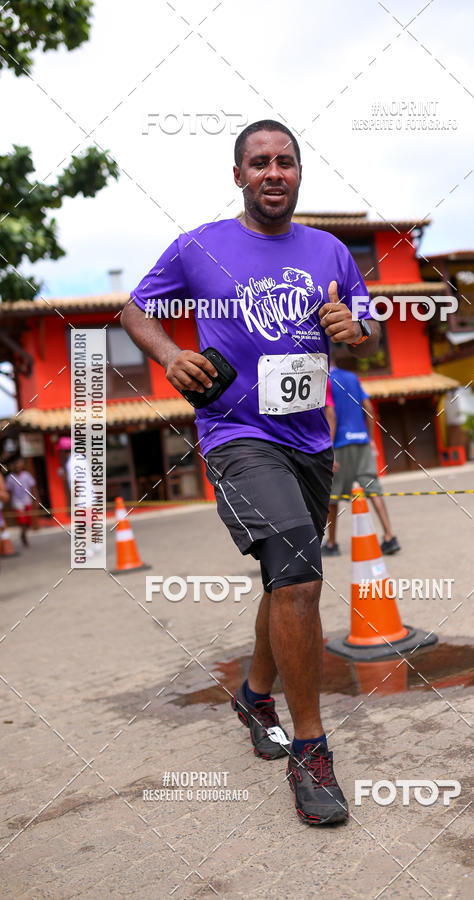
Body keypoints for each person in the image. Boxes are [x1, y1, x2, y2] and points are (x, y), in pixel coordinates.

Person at [121, 119, 380, 826]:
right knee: (299, 575)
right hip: (236, 434)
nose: (273, 172)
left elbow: (365, 330)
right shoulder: (200, 246)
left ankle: (255, 695)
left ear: (299, 174)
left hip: (310, 440)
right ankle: (310, 751)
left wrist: (356, 331)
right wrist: (170, 355)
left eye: (285, 161)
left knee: (283, 575)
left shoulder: (331, 251)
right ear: (238, 175)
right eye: (259, 162)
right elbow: (135, 310)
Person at [323, 364, 400, 556]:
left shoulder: (325, 379)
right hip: (362, 440)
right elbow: (369, 408)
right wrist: (371, 439)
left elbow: (330, 415)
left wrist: (328, 450)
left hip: (340, 443)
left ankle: (332, 544)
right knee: (374, 489)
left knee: (333, 496)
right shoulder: (352, 377)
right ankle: (389, 536)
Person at [5, 458, 37, 547]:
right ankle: (24, 536)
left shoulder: (27, 475)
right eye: (16, 465)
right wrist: (8, 504)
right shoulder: (10, 478)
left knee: (28, 521)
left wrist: (36, 500)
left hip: (27, 500)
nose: (17, 467)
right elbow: (9, 492)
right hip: (17, 502)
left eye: (19, 465)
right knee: (22, 520)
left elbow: (33, 488)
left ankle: (23, 534)